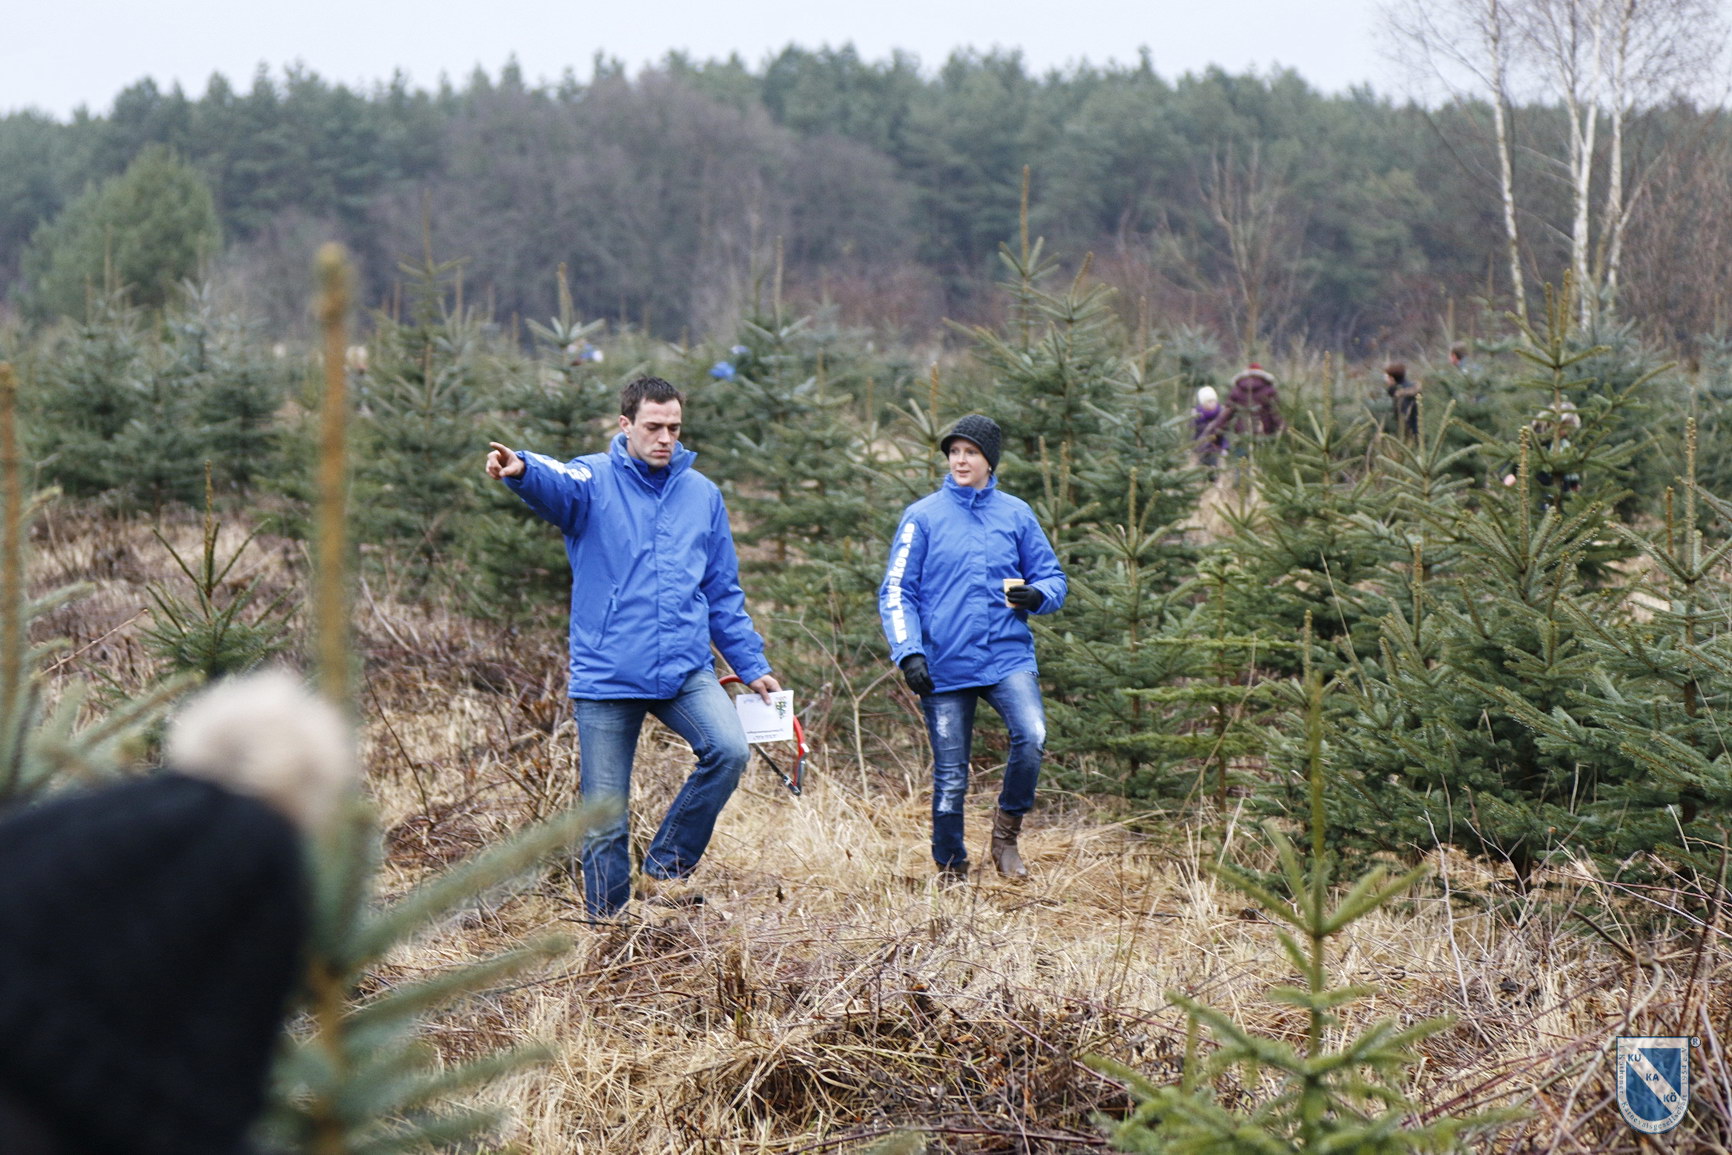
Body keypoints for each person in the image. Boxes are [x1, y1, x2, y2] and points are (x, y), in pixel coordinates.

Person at [485, 376, 780, 919]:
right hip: (609, 675)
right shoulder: (593, 481)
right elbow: (557, 480)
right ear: (625, 425)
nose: (665, 438)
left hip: (684, 670)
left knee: (729, 751)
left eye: (674, 428)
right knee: (605, 819)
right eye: (653, 427)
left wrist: (750, 663)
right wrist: (521, 468)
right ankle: (609, 930)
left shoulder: (702, 495)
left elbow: (721, 590)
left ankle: (664, 870)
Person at [878, 415, 1067, 883]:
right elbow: (897, 591)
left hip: (1006, 656)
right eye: (954, 452)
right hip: (943, 663)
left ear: (989, 460)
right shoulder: (922, 517)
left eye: (971, 453)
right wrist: (910, 652)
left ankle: (1006, 838)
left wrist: (1038, 595)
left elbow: (1053, 578)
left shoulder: (1016, 514)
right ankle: (951, 867)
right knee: (951, 778)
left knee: (1033, 734)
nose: (960, 461)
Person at [1205, 362, 1285, 440]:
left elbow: (1226, 413)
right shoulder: (1269, 390)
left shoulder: (1236, 390)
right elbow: (1276, 413)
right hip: (1265, 436)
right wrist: (1285, 429)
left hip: (1242, 436)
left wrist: (1213, 431)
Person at [1192, 385, 1228, 471]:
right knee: (1201, 470)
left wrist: (1225, 447)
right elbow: (1195, 433)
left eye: (1214, 401)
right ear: (1203, 403)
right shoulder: (1197, 416)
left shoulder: (1221, 414)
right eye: (1209, 401)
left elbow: (1224, 435)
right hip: (1202, 448)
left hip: (1215, 448)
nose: (1212, 404)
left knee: (1213, 470)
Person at [1385, 361, 1421, 440]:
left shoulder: (1400, 395)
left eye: (1387, 377)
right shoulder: (1411, 387)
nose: (1385, 380)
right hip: (1417, 429)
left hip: (1409, 433)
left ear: (1392, 378)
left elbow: (1403, 417)